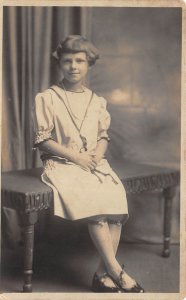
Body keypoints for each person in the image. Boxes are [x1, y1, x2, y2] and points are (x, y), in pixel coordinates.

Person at [33, 35, 144, 293]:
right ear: (59, 63)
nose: (74, 66)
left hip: (93, 163)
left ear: (89, 64)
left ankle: (101, 274)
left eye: (80, 61)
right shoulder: (47, 98)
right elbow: (42, 140)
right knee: (97, 208)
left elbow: (103, 136)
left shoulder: (97, 101)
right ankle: (117, 272)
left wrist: (96, 155)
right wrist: (77, 158)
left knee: (115, 209)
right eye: (68, 60)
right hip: (62, 164)